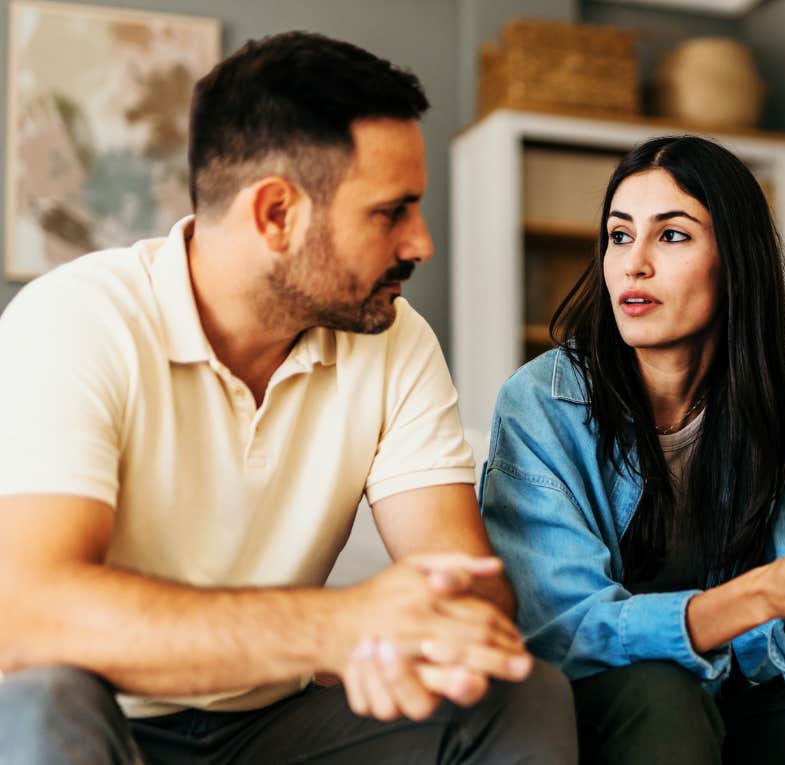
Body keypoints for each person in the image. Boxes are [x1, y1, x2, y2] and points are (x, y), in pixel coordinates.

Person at [0, 31, 574, 765]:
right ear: (276, 214)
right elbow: (29, 612)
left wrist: (434, 635)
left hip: (275, 728)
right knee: (42, 699)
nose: (421, 242)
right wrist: (331, 626)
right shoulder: (76, 320)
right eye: (391, 212)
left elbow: (470, 591)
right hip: (104, 714)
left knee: (520, 696)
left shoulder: (395, 340)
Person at [479, 135, 785, 763]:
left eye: (673, 235)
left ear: (733, 259)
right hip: (599, 707)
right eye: (620, 235)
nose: (633, 265)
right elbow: (561, 632)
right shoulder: (541, 402)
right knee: (662, 694)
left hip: (730, 700)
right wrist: (757, 597)